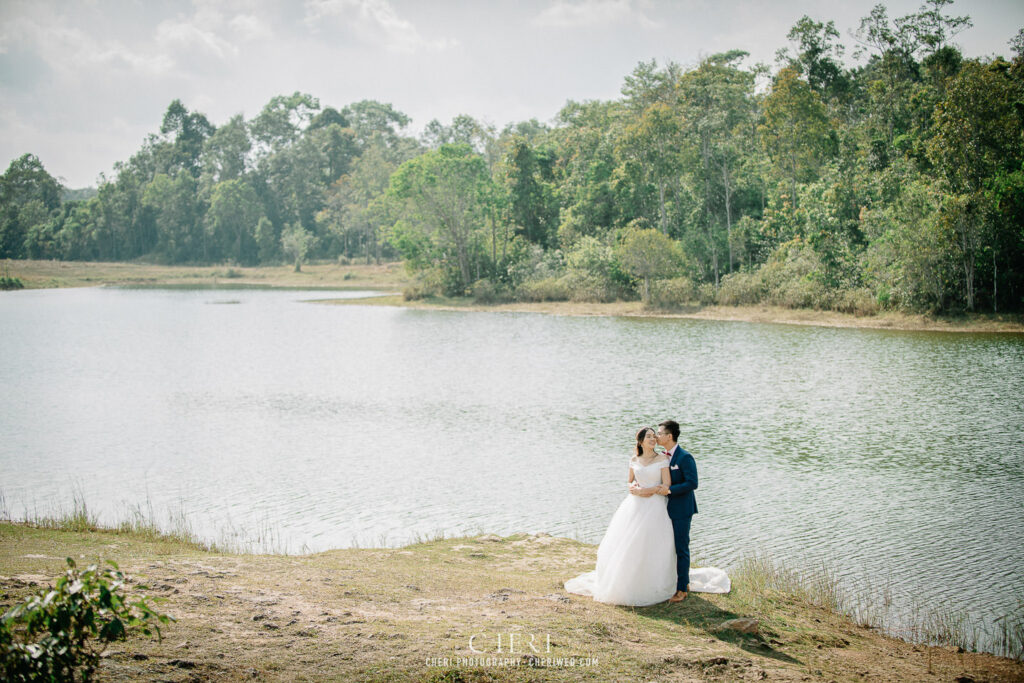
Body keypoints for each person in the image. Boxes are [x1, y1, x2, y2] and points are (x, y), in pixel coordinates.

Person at [563, 427, 678, 606]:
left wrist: (647, 490)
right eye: (648, 437)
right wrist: (633, 488)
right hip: (634, 504)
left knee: (651, 542)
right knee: (627, 542)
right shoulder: (633, 459)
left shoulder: (662, 459)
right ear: (640, 441)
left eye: (654, 436)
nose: (653, 439)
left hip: (655, 505)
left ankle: (651, 581)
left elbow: (666, 484)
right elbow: (629, 480)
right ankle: (626, 581)